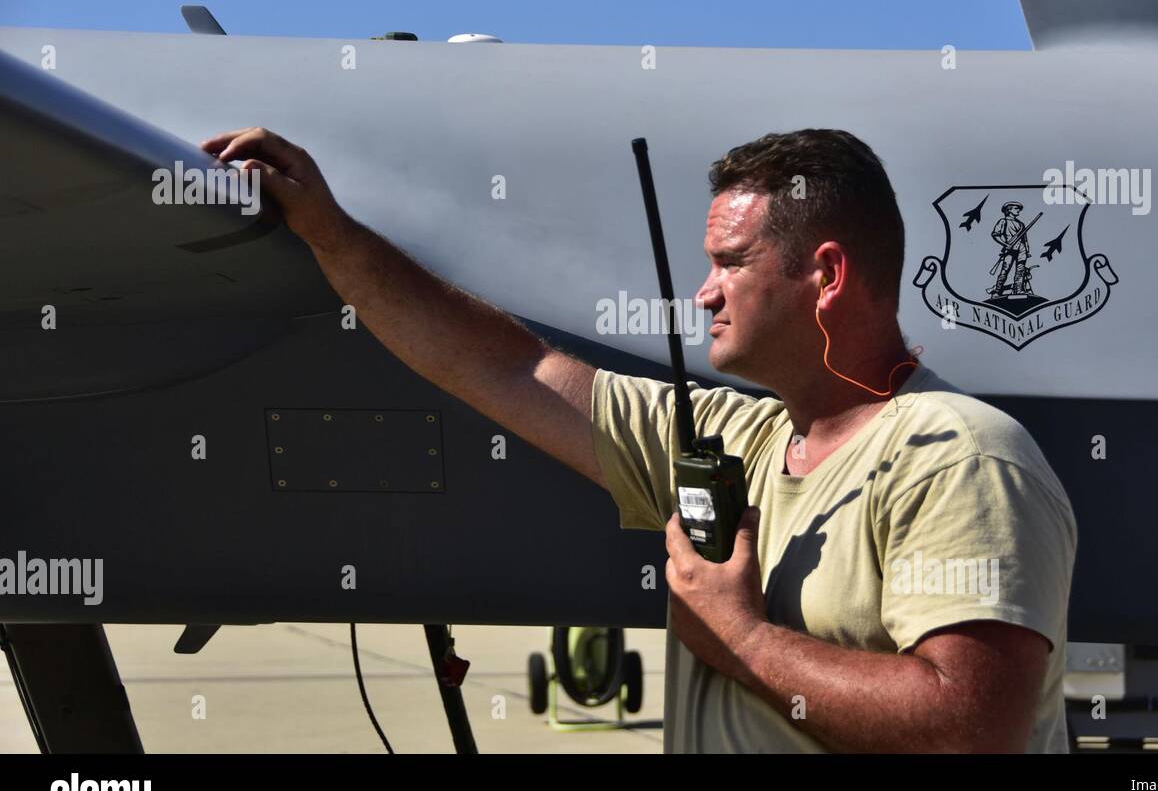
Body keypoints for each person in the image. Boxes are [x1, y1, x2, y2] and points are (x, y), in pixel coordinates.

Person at [201, 126, 1077, 753]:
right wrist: (330, 232)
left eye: (731, 262)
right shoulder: (735, 435)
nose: (704, 293)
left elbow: (969, 730)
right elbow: (508, 370)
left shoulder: (958, 458)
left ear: (828, 275)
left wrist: (740, 637)